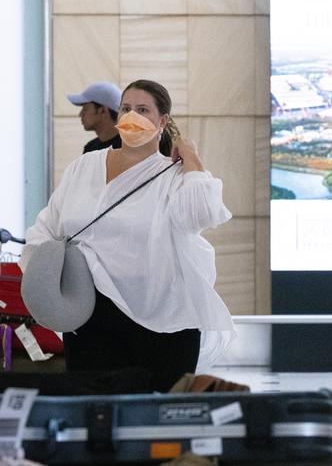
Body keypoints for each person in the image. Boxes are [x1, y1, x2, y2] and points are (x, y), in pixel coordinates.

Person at [20, 79, 234, 391]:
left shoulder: (174, 176)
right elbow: (47, 227)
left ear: (162, 121)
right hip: (91, 317)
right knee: (96, 416)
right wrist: (51, 281)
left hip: (162, 319)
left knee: (155, 424)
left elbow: (202, 213)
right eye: (126, 108)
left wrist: (191, 158)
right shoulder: (84, 167)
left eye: (143, 109)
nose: (132, 115)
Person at [67, 81, 123, 152]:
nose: (80, 114)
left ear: (103, 111)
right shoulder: (90, 148)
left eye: (85, 109)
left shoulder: (129, 149)